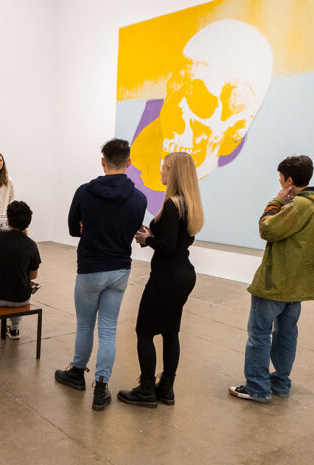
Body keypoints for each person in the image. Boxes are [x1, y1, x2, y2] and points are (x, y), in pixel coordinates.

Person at [229, 155, 314, 403]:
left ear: (289, 180)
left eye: (280, 178)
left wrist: (275, 201)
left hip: (277, 282)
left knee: (260, 334)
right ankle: (280, 384)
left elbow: (268, 229)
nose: (279, 182)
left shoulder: (299, 206)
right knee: (287, 333)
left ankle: (257, 388)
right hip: (297, 284)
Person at [55, 138, 148, 411]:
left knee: (85, 325)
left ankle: (76, 374)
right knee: (108, 329)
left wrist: (90, 227)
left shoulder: (84, 192)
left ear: (102, 161)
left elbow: (73, 228)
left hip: (90, 269)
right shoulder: (139, 198)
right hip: (119, 270)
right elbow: (131, 230)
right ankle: (101, 388)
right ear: (129, 163)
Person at [118, 152, 204, 408]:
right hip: (184, 275)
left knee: (144, 331)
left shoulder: (171, 204)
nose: (161, 172)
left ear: (174, 172)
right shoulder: (190, 203)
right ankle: (166, 388)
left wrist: (147, 240)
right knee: (170, 332)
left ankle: (146, 389)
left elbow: (166, 246)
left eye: (164, 168)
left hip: (166, 277)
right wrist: (152, 236)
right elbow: (176, 240)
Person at [0, 201, 41, 339]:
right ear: (28, 222)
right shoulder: (31, 245)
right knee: (21, 276)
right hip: (21, 299)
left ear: (8, 219)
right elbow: (33, 275)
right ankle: (14, 329)